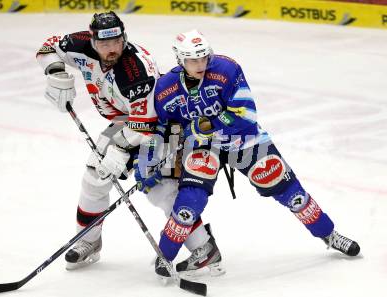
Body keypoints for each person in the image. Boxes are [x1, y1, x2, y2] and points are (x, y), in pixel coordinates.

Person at [135, 29, 361, 278]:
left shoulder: (226, 69)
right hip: (203, 147)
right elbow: (166, 129)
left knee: (289, 191)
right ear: (180, 59)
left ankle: (329, 234)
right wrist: (154, 159)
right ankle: (165, 254)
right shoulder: (166, 88)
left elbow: (246, 115)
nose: (201, 65)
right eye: (193, 60)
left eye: (203, 58)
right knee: (190, 202)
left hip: (243, 140)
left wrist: (204, 124)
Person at [36, 12, 223, 273]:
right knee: (94, 177)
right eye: (105, 44)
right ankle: (88, 241)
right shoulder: (80, 44)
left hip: (161, 125)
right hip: (126, 122)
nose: (112, 49)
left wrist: (120, 150)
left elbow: (145, 121)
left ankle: (204, 247)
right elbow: (48, 47)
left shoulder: (135, 71)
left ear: (124, 37)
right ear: (92, 41)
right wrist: (55, 72)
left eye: (117, 42)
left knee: (160, 190)